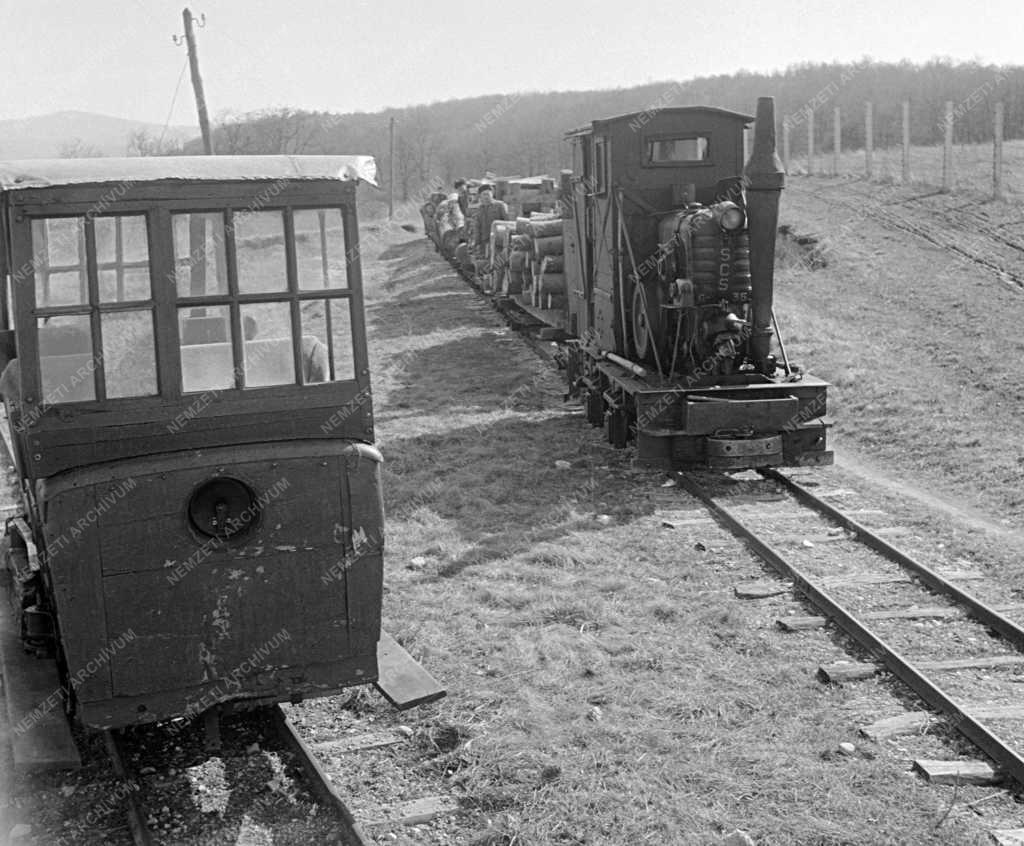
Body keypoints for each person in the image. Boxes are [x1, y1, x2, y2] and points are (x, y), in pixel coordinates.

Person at [473, 183, 509, 261]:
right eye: (484, 194)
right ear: (480, 196)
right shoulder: (479, 209)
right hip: (485, 242)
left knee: (498, 262)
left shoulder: (500, 206)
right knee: (486, 262)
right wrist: (476, 243)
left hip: (499, 241)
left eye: (488, 194)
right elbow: (477, 227)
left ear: (492, 194)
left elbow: (508, 222)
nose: (486, 196)